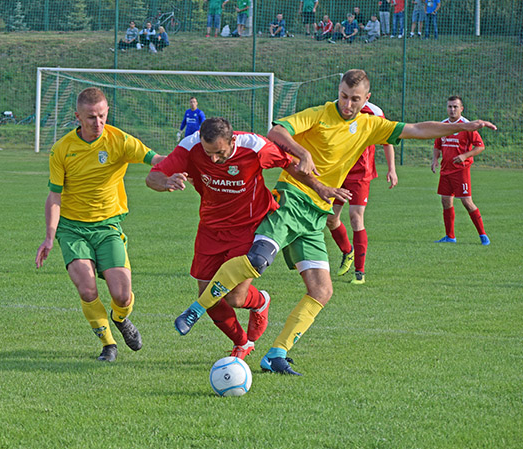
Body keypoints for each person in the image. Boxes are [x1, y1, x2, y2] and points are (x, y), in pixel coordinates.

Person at [174, 69, 496, 376]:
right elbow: (277, 131)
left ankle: (277, 354)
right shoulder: (320, 113)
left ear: (366, 98)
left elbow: (417, 129)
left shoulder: (370, 125)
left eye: (355, 99)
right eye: (343, 96)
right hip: (292, 197)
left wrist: (463, 128)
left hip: (317, 214)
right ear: (338, 93)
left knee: (322, 290)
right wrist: (302, 152)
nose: (348, 104)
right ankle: (198, 308)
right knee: (258, 259)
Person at [35, 87, 166, 362]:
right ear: (78, 117)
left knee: (122, 294)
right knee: (87, 288)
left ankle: (121, 319)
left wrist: (180, 168)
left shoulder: (119, 140)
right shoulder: (62, 149)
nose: (98, 123)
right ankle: (108, 344)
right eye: (92, 117)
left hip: (108, 227)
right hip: (72, 228)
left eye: (103, 116)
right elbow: (54, 196)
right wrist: (49, 237)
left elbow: (156, 159)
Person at [146, 118, 293, 359]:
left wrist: (317, 184)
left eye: (219, 153)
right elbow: (152, 177)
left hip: (247, 226)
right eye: (208, 153)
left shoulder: (254, 147)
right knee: (208, 297)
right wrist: (166, 182)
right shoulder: (189, 147)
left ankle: (259, 301)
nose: (213, 159)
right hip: (210, 229)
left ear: (232, 140)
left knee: (235, 297)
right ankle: (242, 343)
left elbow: (292, 163)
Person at [327, 102, 397, 285]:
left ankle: (360, 272)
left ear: (366, 95)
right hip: (339, 171)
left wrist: (392, 169)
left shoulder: (374, 112)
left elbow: (387, 139)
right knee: (330, 218)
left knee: (355, 217)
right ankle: (347, 251)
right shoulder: (336, 108)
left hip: (361, 174)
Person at [431, 95, 489, 245]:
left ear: (461, 109)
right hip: (445, 170)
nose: (452, 109)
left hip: (461, 171)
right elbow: (437, 145)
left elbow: (480, 146)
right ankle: (450, 237)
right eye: (450, 106)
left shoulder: (467, 125)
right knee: (445, 201)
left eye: (455, 107)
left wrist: (465, 156)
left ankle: (483, 235)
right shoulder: (442, 125)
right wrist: (434, 160)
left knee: (467, 202)